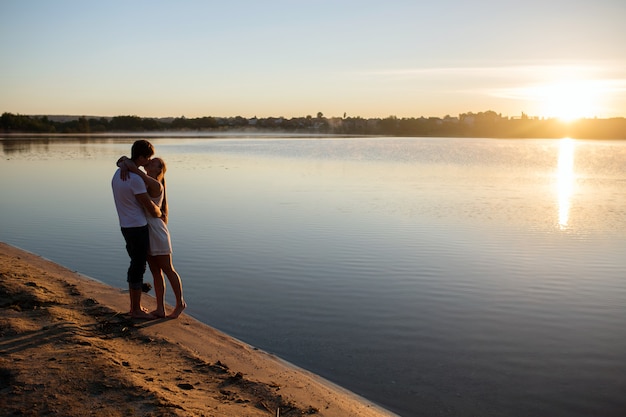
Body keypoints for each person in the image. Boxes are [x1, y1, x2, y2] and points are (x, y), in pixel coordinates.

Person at [118, 156, 187, 319]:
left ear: (159, 170)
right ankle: (160, 308)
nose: (149, 162)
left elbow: (135, 170)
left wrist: (130, 167)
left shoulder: (155, 184)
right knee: (155, 272)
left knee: (168, 269)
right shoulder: (143, 179)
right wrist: (121, 165)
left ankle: (180, 303)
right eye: (149, 161)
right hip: (144, 229)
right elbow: (122, 160)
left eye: (153, 162)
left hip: (156, 230)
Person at [111, 140, 161, 319]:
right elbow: (149, 207)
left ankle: (134, 307)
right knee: (138, 266)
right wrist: (159, 211)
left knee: (135, 263)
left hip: (125, 226)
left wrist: (124, 163)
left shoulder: (118, 173)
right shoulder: (135, 179)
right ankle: (136, 310)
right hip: (137, 227)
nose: (149, 161)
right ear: (141, 157)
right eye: (148, 158)